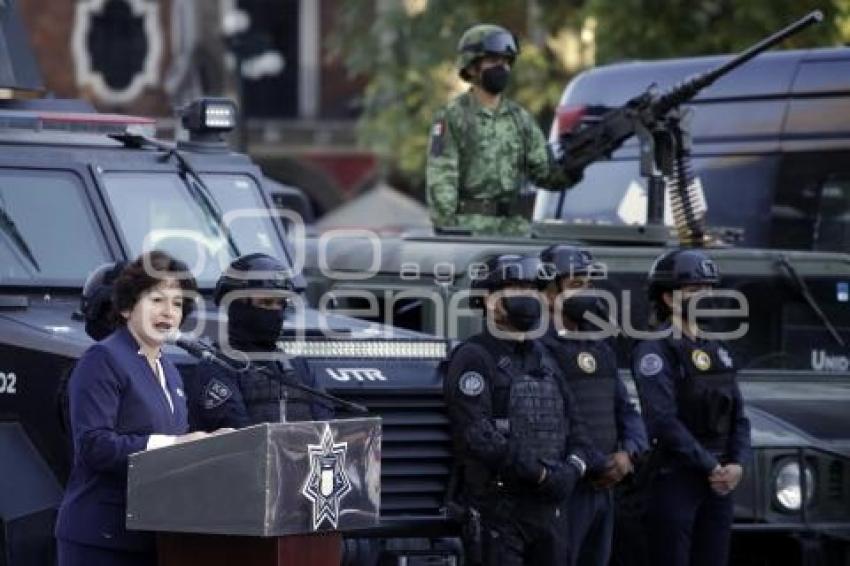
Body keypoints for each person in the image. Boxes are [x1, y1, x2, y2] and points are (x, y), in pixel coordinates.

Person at [55, 251, 220, 566]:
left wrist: (216, 447)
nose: (168, 312)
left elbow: (177, 443)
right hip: (101, 538)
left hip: (155, 534)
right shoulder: (103, 359)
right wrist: (174, 445)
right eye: (157, 299)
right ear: (128, 306)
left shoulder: (169, 369)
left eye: (177, 303)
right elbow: (94, 446)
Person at [444, 253, 603, 566]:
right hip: (499, 512)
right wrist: (541, 474)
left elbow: (579, 429)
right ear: (490, 300)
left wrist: (571, 470)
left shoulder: (545, 357)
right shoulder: (473, 356)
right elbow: (478, 435)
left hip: (551, 513)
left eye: (532, 289)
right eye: (516, 288)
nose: (527, 297)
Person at [631, 249, 751, 566]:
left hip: (720, 482)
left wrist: (737, 463)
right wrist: (711, 466)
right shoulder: (655, 348)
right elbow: (662, 419)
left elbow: (738, 416)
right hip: (676, 477)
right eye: (695, 290)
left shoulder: (717, 348)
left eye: (709, 288)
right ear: (670, 298)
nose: (706, 296)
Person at [538, 244, 648, 566]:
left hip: (606, 486)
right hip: (566, 485)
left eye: (587, 284)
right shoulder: (537, 348)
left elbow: (625, 408)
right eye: (575, 285)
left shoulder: (599, 345)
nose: (585, 293)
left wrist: (629, 453)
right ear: (548, 294)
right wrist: (598, 462)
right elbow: (557, 414)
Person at [426, 24, 577, 236]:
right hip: (470, 234)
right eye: (494, 61)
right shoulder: (453, 117)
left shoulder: (520, 119)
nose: (502, 67)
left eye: (506, 62)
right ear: (471, 68)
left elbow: (548, 175)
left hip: (515, 234)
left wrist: (578, 160)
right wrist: (449, 231)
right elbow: (441, 180)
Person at [186, 253, 332, 431]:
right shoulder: (216, 367)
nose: (275, 312)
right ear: (237, 305)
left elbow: (326, 428)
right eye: (266, 302)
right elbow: (241, 437)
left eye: (280, 304)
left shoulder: (298, 365)